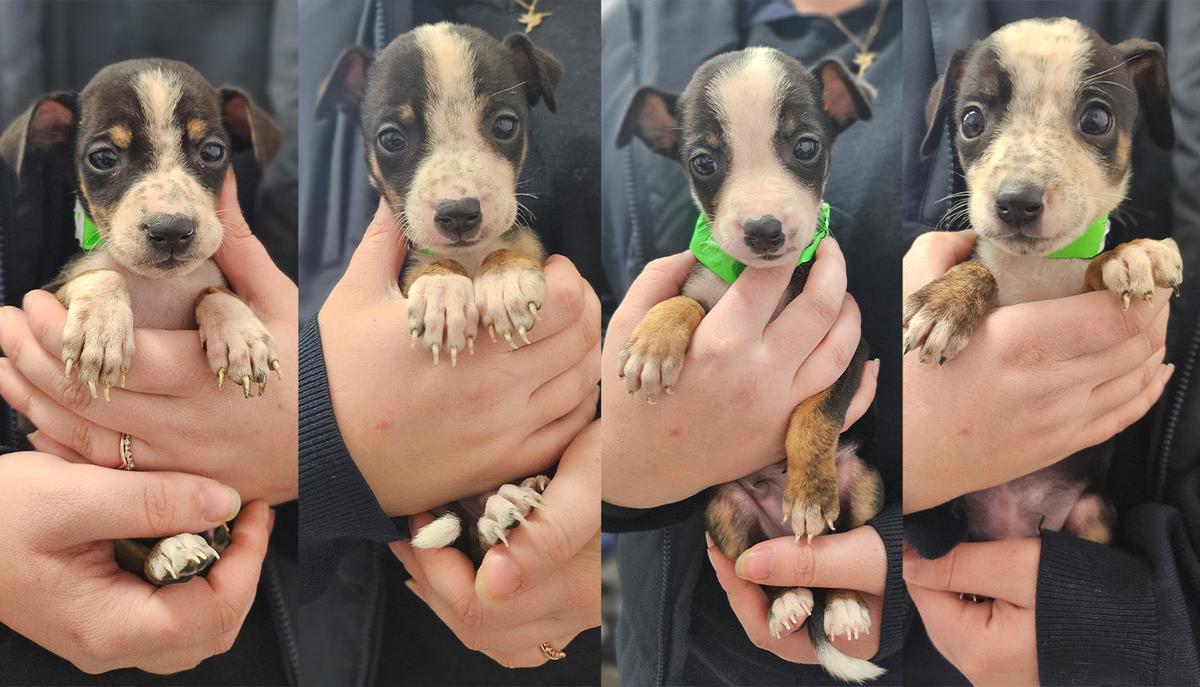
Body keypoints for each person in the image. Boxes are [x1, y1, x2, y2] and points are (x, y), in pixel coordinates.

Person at [296, 1, 604, 683]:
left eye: (498, 127)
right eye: (399, 141)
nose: (458, 190)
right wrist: (321, 433)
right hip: (375, 618)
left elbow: (526, 254)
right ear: (355, 105)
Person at [600, 1, 907, 684]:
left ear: (837, 113)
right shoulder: (623, 36)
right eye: (711, 162)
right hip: (687, 646)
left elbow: (842, 370)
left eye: (800, 151)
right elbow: (666, 306)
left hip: (906, 604)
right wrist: (621, 467)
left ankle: (832, 589)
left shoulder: (821, 264)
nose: (763, 209)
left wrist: (908, 563)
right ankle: (786, 586)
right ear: (666, 138)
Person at [0, 2, 300, 682]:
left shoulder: (217, 271)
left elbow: (218, 298)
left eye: (207, 154)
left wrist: (230, 317)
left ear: (236, 138)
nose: (168, 208)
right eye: (107, 158)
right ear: (57, 140)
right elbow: (78, 286)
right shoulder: (94, 270)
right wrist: (102, 292)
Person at [902, 1, 1200, 684]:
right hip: (935, 561)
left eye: (1091, 119)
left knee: (1097, 513)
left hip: (1084, 544)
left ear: (1138, 111)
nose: (1020, 179)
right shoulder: (952, 256)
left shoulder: (1117, 261)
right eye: (976, 121)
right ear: (945, 120)